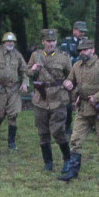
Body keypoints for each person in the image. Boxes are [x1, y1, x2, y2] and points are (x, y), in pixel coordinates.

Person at [59, 38, 99, 182]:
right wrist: (67, 83)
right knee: (75, 139)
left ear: (92, 50)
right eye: (80, 50)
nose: (82, 53)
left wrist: (97, 97)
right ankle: (73, 171)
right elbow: (70, 80)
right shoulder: (77, 65)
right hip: (83, 108)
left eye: (85, 50)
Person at [27, 28, 73, 172]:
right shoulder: (36, 55)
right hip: (40, 99)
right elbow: (27, 72)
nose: (51, 44)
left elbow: (71, 75)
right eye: (48, 41)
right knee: (43, 132)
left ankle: (67, 159)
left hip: (58, 98)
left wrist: (69, 84)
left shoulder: (64, 57)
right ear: (43, 42)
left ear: (56, 41)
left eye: (53, 41)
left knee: (58, 130)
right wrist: (33, 69)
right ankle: (48, 162)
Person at [0, 32, 28, 150]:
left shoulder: (17, 55)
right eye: (8, 41)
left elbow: (24, 70)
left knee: (13, 114)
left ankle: (11, 142)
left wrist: (25, 83)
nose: (10, 44)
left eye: (12, 42)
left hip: (13, 89)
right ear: (3, 42)